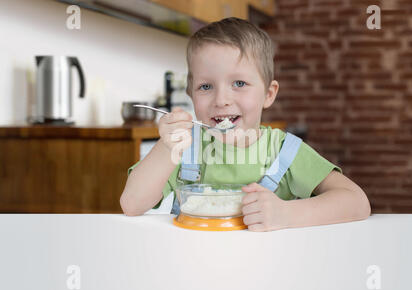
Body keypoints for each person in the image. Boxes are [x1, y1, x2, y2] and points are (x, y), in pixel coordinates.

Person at [120, 17, 371, 231]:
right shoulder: (185, 148)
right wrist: (167, 147)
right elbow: (131, 204)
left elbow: (357, 202)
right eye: (206, 86)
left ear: (268, 94)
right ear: (190, 94)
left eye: (239, 83)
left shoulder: (284, 151)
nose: (222, 100)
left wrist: (287, 214)